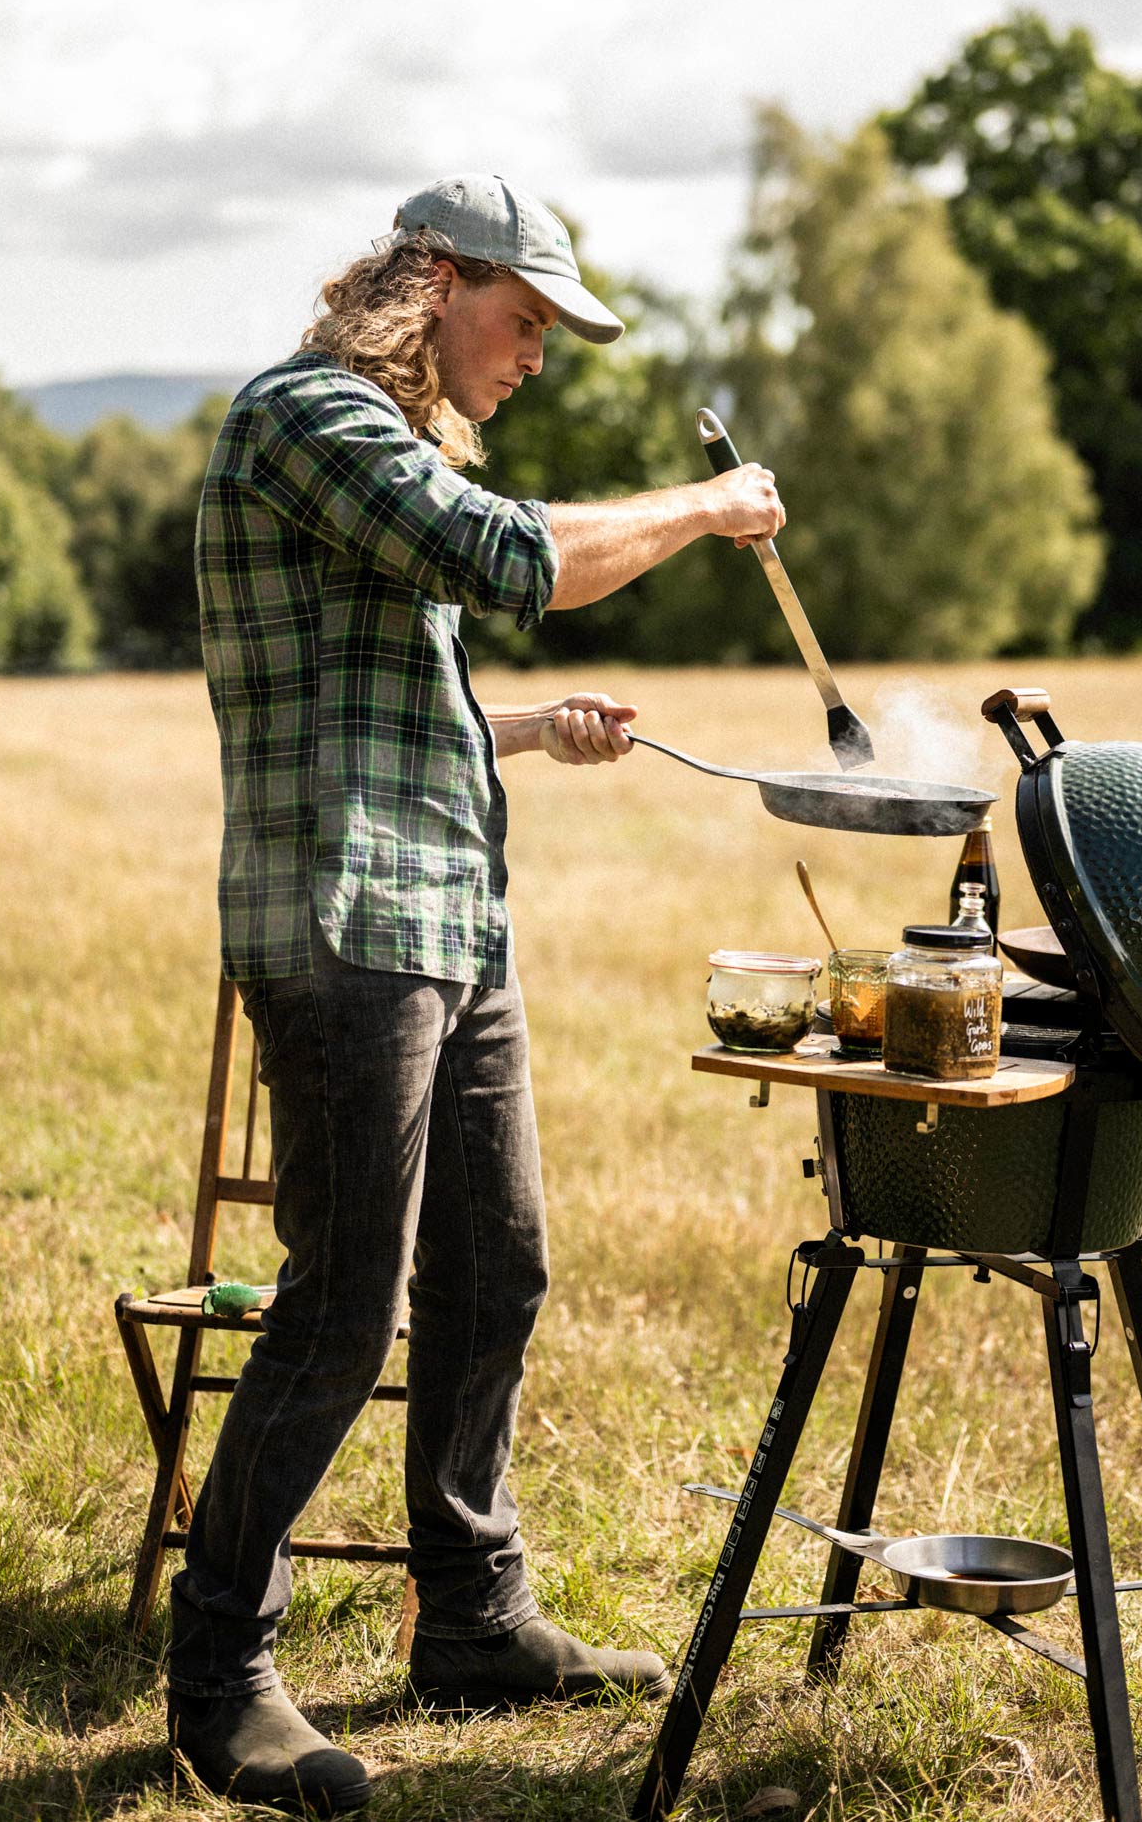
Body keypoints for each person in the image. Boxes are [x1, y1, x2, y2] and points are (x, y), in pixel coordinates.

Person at [172, 173, 785, 1810]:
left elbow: (393, 695)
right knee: (340, 1307)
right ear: (434, 283)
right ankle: (220, 1666)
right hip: (345, 918)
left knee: (496, 1269)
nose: (534, 359)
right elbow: (509, 554)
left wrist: (524, 730)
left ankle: (469, 1614)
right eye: (524, 322)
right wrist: (708, 512)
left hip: (453, 914)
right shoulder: (310, 420)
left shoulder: (386, 452)